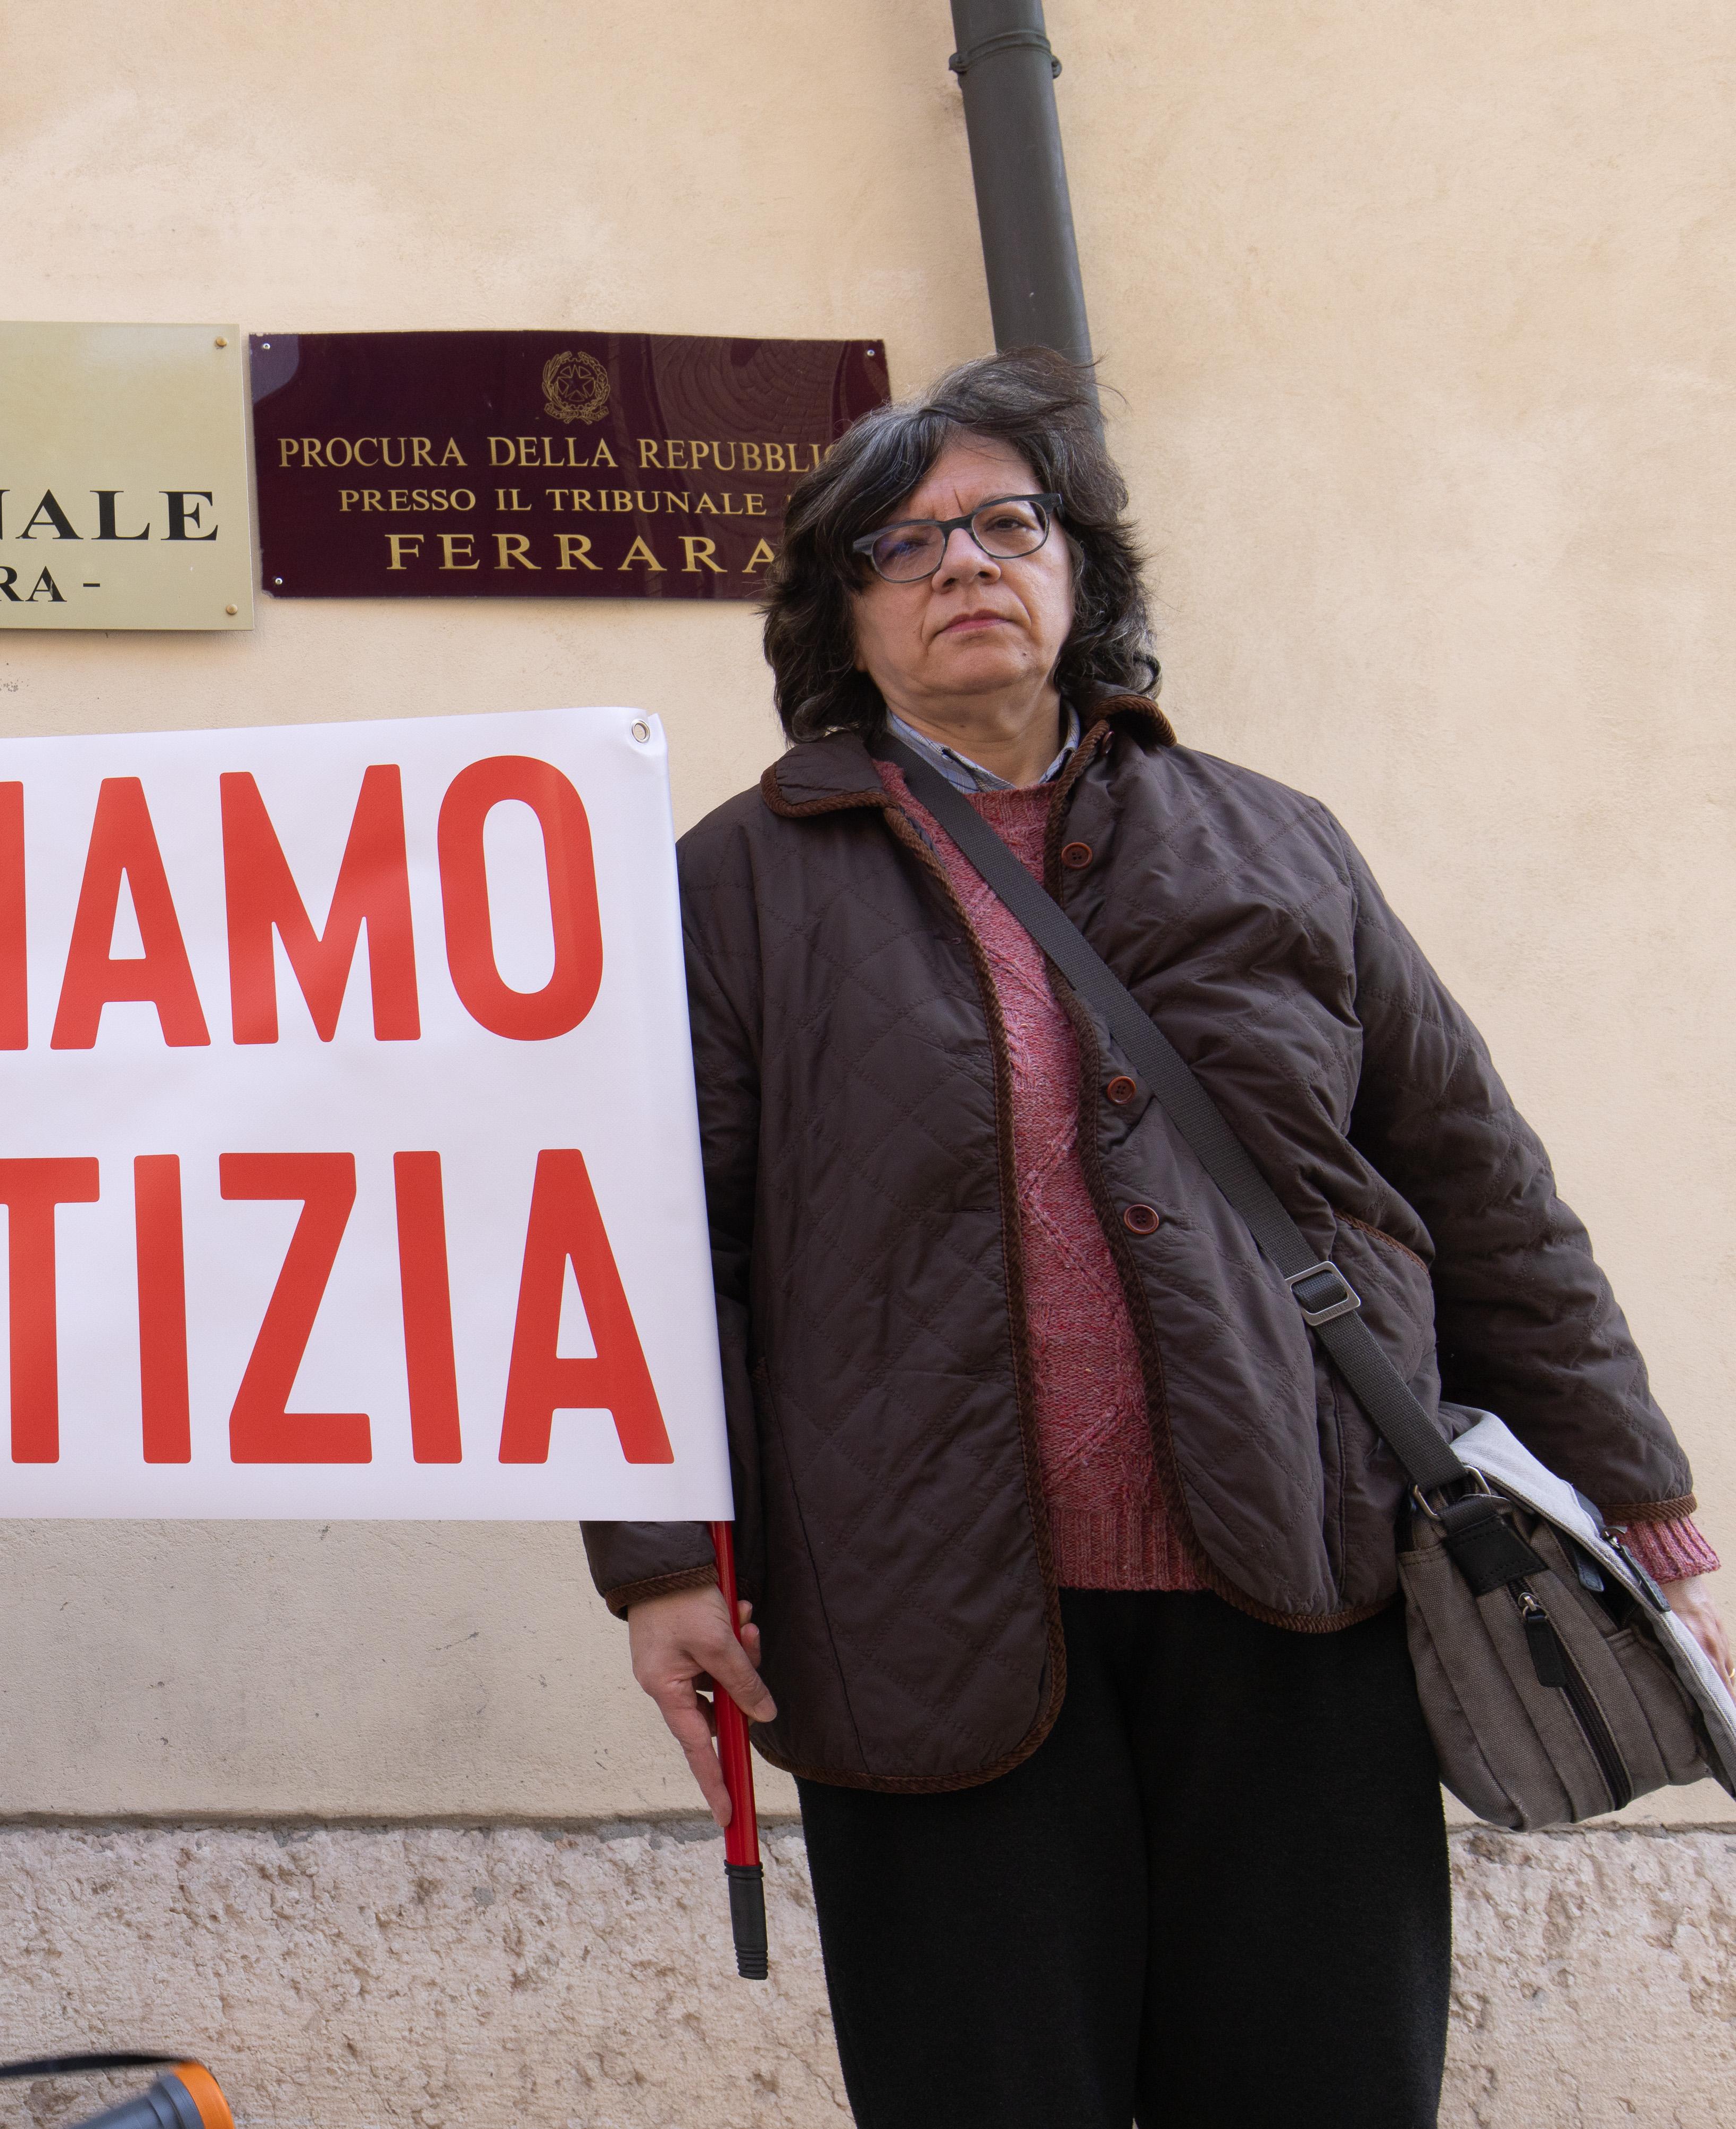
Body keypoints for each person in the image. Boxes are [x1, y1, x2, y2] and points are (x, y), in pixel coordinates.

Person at [589, 347, 1732, 2129]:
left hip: (1297, 1577)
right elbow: (658, 1239)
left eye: (1004, 523)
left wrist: (1632, 1491)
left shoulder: (1275, 843)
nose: (963, 564)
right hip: (921, 1606)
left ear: (1077, 572)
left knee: (1319, 2080)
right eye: (901, 545)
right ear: (840, 617)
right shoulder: (736, 884)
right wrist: (664, 1556)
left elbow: (1474, 1176)